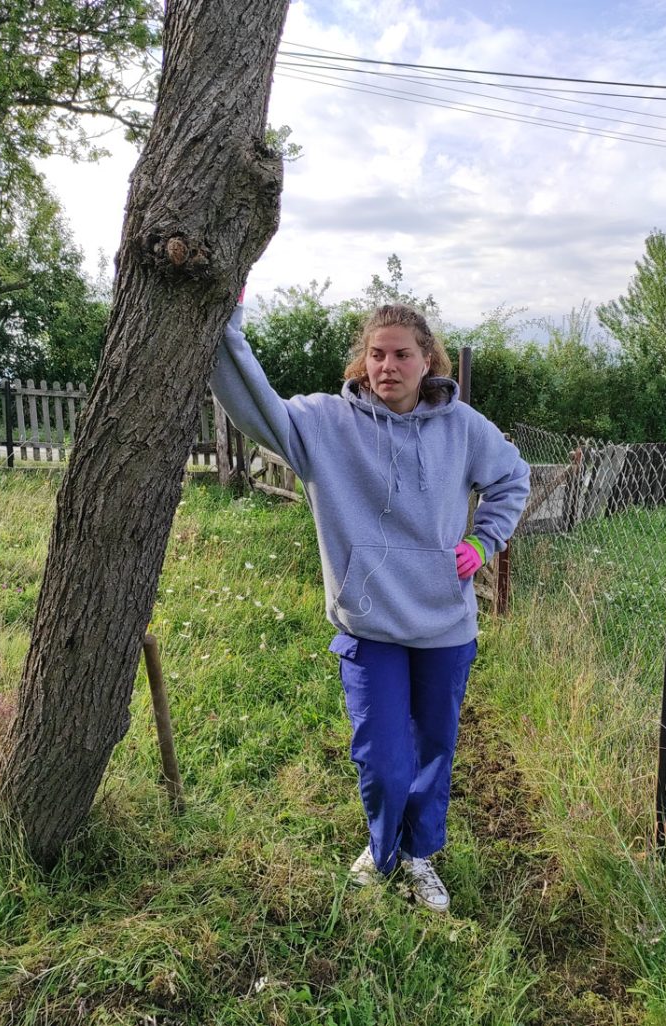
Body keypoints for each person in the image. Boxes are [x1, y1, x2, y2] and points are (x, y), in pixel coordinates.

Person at [209, 295, 530, 912]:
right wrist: (228, 325)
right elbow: (255, 407)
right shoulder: (326, 425)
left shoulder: (463, 428)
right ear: (363, 360)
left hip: (443, 626)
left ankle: (418, 856)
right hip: (369, 622)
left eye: (402, 354)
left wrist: (483, 542)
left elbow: (512, 477)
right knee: (383, 759)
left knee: (433, 752)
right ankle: (381, 847)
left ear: (427, 359)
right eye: (376, 354)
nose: (388, 366)